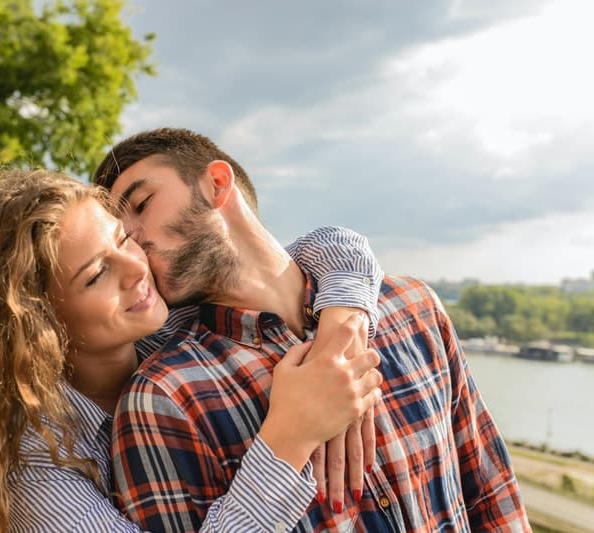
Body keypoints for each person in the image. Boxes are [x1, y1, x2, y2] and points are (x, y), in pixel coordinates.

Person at [0, 168, 386, 532]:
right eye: (97, 274)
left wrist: (340, 333)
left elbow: (329, 248)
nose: (136, 268)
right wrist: (289, 438)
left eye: (124, 238)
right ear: (36, 322)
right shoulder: (35, 467)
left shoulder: (165, 325)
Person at [94, 128, 531, 532]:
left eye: (142, 204)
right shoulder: (162, 399)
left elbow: (492, 496)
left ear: (217, 184)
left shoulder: (414, 307)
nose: (133, 239)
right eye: (120, 236)